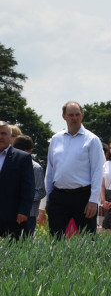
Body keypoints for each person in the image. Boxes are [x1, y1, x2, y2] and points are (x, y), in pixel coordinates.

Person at [43, 101, 105, 237]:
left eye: (77, 114)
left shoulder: (92, 140)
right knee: (55, 240)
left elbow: (97, 171)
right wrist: (48, 198)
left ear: (82, 116)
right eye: (70, 115)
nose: (74, 118)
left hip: (83, 197)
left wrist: (94, 200)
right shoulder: (55, 139)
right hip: (58, 196)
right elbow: (50, 170)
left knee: (88, 240)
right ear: (64, 116)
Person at [0, 121, 35, 239]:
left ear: (10, 137)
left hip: (13, 217)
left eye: (3, 133)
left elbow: (28, 187)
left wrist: (24, 211)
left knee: (13, 254)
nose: (1, 137)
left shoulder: (22, 158)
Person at [10, 133, 46, 237]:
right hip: (12, 212)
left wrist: (24, 198)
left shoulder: (36, 168)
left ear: (31, 151)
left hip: (29, 213)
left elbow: (40, 192)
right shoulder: (11, 165)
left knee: (26, 243)